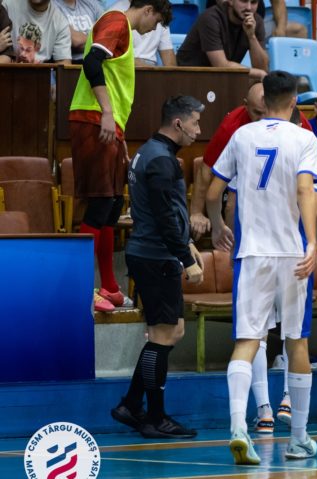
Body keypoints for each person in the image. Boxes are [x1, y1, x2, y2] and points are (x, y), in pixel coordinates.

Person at [206, 71, 317, 464]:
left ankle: (239, 427)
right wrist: (312, 240)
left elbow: (213, 190)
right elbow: (306, 189)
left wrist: (217, 224)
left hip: (252, 253)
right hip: (292, 254)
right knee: (296, 341)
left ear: (263, 99)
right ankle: (299, 439)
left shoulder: (242, 135)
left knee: (247, 340)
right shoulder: (304, 138)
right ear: (293, 103)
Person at [110, 95, 204, 440]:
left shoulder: (148, 151)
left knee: (171, 332)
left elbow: (165, 212)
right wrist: (185, 257)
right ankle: (154, 417)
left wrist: (187, 244)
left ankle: (132, 405)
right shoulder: (162, 161)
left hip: (152, 252)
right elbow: (165, 217)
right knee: (162, 335)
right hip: (155, 255)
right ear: (178, 123)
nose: (199, 130)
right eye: (195, 122)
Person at [68, 0, 171, 312]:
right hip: (93, 119)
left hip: (107, 125)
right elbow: (92, 63)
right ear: (150, 9)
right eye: (157, 22)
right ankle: (83, 289)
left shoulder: (122, 27)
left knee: (112, 205)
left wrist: (118, 130)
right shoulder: (115, 21)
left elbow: (109, 75)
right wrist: (108, 113)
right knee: (99, 204)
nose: (153, 30)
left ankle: (110, 287)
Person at [190, 80, 312, 238]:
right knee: (233, 202)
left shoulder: (296, 119)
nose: (263, 118)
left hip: (286, 189)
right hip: (246, 195)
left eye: (266, 111)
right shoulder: (232, 127)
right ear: (245, 105)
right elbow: (206, 170)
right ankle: (231, 249)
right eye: (257, 112)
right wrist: (197, 212)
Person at [177, 0, 268, 80]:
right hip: (190, 77)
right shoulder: (210, 18)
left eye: (253, 2)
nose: (248, 7)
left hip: (223, 78)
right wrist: (259, 74)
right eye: (243, 1)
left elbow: (262, 67)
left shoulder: (256, 21)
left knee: (259, 88)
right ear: (231, 1)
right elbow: (220, 66)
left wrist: (251, 36)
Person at [110, 0, 176, 66]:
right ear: (148, 10)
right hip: (127, 67)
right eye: (156, 22)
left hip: (150, 69)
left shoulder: (158, 10)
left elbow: (169, 56)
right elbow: (111, 57)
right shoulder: (113, 16)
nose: (155, 28)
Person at [5, 0, 71, 63]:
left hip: (41, 73)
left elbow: (63, 64)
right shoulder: (8, 5)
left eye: (28, 50)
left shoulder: (60, 22)